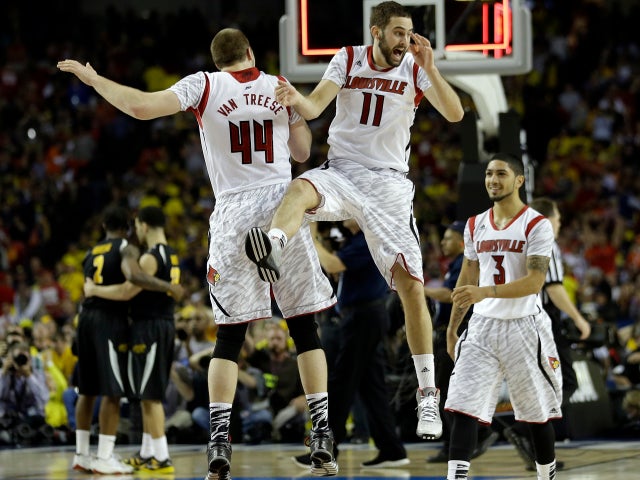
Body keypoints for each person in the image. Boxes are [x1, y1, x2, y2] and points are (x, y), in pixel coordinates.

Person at [58, 28, 338, 479]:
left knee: (229, 336)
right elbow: (302, 152)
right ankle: (322, 432)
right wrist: (298, 114)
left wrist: (95, 81)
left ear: (216, 58)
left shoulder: (204, 84)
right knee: (305, 326)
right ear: (250, 52)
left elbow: (139, 107)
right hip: (281, 205)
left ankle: (220, 443)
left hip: (233, 212)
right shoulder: (277, 84)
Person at [246, 0, 464, 441]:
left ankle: (427, 395)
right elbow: (315, 107)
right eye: (398, 33)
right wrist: (295, 100)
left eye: (409, 33)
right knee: (301, 186)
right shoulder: (347, 57)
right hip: (343, 171)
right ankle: (272, 243)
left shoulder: (416, 68)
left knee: (411, 284)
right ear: (377, 31)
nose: (405, 41)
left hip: (388, 184)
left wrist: (432, 67)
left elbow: (456, 113)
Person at [444, 153, 562, 480]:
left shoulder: (536, 224)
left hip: (524, 327)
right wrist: (454, 327)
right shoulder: (473, 225)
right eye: (488, 174)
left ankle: (545, 475)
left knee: (536, 414)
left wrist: (486, 292)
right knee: (463, 406)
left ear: (519, 180)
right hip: (481, 327)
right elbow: (466, 281)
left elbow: (535, 282)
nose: (493, 180)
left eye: (501, 174)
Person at [71, 205, 183, 475]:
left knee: (89, 391)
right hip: (115, 322)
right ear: (130, 229)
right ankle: (109, 456)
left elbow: (128, 286)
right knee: (118, 391)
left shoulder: (91, 251)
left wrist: (93, 290)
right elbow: (131, 281)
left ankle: (84, 454)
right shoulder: (137, 250)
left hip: (87, 319)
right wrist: (169, 287)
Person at [295, 219, 409, 469]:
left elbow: (333, 264)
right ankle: (392, 449)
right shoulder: (358, 240)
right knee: (372, 386)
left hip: (364, 316)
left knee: (341, 382)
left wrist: (312, 238)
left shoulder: (367, 238)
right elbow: (336, 268)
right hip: (365, 316)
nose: (342, 213)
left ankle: (326, 448)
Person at [503, 197, 592, 471]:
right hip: (541, 320)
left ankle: (532, 440)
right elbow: (553, 287)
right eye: (559, 219)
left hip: (518, 317)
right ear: (548, 218)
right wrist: (579, 320)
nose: (559, 224)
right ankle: (524, 426)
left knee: (542, 382)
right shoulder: (545, 240)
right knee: (564, 380)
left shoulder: (518, 238)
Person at [424, 221, 498, 463]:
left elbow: (452, 294)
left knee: (447, 390)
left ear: (460, 241)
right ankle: (467, 438)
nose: (443, 243)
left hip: (460, 333)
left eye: (447, 239)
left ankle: (467, 439)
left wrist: (422, 291)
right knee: (449, 390)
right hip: (454, 332)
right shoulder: (454, 264)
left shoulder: (462, 264)